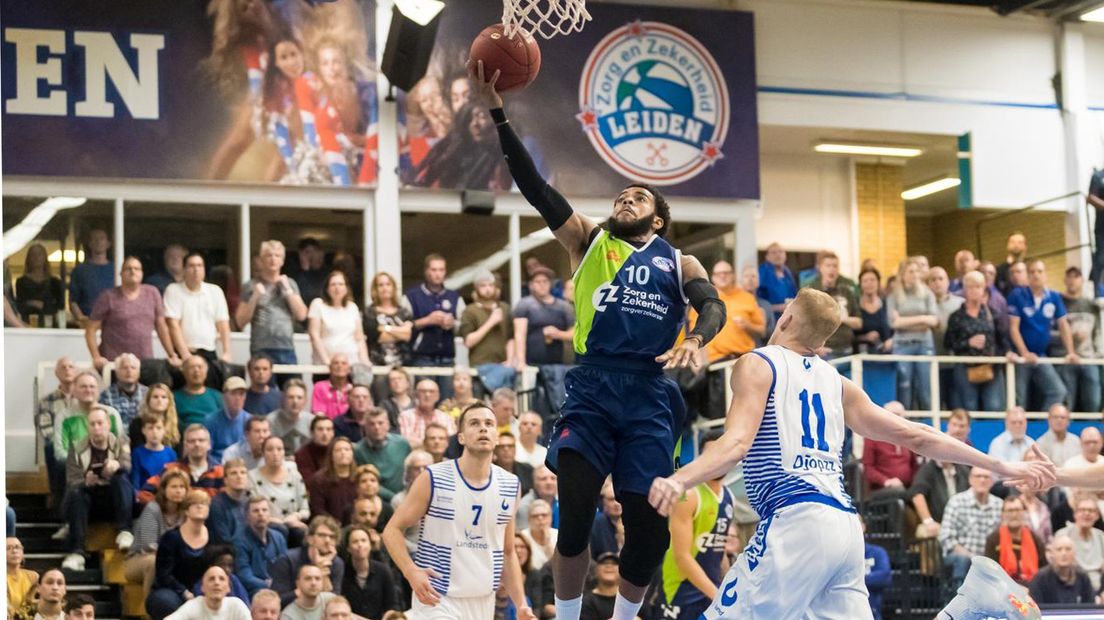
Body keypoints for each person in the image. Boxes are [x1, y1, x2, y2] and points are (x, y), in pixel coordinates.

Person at [475, 62, 724, 620]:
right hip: (590, 385)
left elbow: (713, 305)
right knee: (578, 508)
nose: (626, 199)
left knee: (649, 531)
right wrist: (497, 113)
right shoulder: (588, 239)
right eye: (622, 195)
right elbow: (534, 186)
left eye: (639, 198)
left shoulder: (678, 259)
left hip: (651, 393)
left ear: (658, 220)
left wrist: (697, 337)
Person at [645, 288, 1054, 618]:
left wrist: (679, 478)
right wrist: (999, 463)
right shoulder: (837, 382)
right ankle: (965, 611)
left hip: (795, 519)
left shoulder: (757, 362)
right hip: (844, 526)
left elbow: (736, 444)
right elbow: (918, 435)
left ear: (784, 319)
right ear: (822, 345)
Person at [382, 403, 534, 620]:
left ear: (497, 437)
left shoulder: (510, 485)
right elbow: (392, 530)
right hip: (437, 597)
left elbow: (507, 551)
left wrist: (520, 603)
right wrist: (410, 570)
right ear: (460, 437)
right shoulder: (433, 477)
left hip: (483, 598)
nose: (483, 428)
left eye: (489, 424)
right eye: (474, 423)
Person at [656, 430, 733, 620]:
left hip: (710, 588)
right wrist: (718, 597)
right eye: (710, 454)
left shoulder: (729, 497)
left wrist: (728, 585)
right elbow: (682, 557)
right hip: (681, 592)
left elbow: (719, 549)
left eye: (721, 454)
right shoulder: (689, 494)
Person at [61, 405, 134, 571]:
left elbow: (127, 464)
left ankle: (125, 531)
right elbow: (72, 479)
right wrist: (85, 481)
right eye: (92, 424)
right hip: (89, 500)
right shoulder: (77, 447)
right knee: (77, 492)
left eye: (100, 423)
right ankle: (77, 552)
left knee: (121, 477)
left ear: (108, 424)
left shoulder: (120, 442)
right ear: (88, 427)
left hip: (114, 499)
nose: (96, 428)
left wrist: (117, 465)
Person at [85, 256, 178, 369]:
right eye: (128, 268)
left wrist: (171, 354)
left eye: (136, 268)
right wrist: (96, 357)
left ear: (142, 273)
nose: (133, 271)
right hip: (115, 363)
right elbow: (90, 329)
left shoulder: (152, 293)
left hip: (145, 362)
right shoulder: (108, 297)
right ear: (121, 274)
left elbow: (161, 327)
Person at [1007, 259, 1077, 410]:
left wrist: (1071, 352)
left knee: (1058, 391)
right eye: (1032, 272)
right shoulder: (1017, 295)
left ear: (1046, 275)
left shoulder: (1054, 297)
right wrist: (1024, 353)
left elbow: (1063, 325)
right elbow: (1013, 328)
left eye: (1039, 271)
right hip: (1020, 356)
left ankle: (1044, 426)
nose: (1036, 275)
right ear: (1027, 275)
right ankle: (1018, 429)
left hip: (1040, 355)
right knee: (1020, 399)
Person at [512, 266, 575, 417]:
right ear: (531, 285)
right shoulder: (525, 305)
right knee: (534, 405)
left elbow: (575, 333)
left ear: (551, 283)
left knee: (557, 406)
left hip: (558, 365)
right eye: (537, 281)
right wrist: (520, 362)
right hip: (532, 365)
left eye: (545, 281)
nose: (541, 284)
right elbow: (519, 334)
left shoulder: (563, 307)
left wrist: (558, 334)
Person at [237, 240, 309, 366]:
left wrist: (287, 290)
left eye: (277, 256)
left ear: (282, 260)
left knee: (292, 385)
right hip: (260, 348)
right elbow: (240, 321)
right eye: (268, 255)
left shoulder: (290, 283)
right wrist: (255, 297)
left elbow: (302, 315)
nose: (273, 259)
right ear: (261, 259)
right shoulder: (251, 285)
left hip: (286, 347)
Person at [147, 490, 213, 620]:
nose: (200, 506)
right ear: (186, 511)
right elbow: (163, 574)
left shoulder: (214, 538)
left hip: (203, 590)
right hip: (172, 590)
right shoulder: (171, 538)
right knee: (165, 602)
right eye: (194, 504)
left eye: (203, 504)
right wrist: (184, 592)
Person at [165, 252, 233, 374]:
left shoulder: (215, 291)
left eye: (199, 265)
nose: (196, 270)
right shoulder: (173, 290)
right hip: (184, 353)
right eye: (191, 266)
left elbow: (223, 324)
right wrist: (185, 355)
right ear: (184, 269)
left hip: (209, 352)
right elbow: (173, 325)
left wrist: (227, 352)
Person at [944, 271, 1003, 411]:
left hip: (990, 367)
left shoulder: (992, 313)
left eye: (978, 286)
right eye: (970, 287)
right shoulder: (956, 316)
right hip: (966, 367)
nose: (974, 291)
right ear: (964, 290)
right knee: (969, 406)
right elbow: (948, 342)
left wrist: (1006, 353)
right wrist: (968, 343)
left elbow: (1001, 339)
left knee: (993, 406)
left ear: (983, 289)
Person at [127, 470, 189, 600]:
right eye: (174, 487)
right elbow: (148, 545)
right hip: (139, 558)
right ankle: (150, 608)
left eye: (182, 487)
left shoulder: (186, 513)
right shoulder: (153, 508)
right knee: (153, 562)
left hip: (170, 561)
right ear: (164, 489)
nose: (178, 490)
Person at [888, 258, 939, 410]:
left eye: (917, 271)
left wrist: (905, 321)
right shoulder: (894, 296)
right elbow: (894, 323)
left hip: (924, 344)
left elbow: (934, 321)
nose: (915, 274)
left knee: (926, 387)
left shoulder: (927, 294)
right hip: (902, 346)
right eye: (911, 271)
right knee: (904, 386)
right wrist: (922, 318)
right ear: (902, 274)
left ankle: (930, 423)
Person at [269, 516, 346, 608]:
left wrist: (324, 574)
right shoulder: (287, 560)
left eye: (332, 537)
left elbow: (334, 602)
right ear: (309, 538)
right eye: (321, 535)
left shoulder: (337, 563)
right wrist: (305, 589)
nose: (327, 540)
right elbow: (278, 600)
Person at [460, 270, 518, 391]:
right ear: (476, 288)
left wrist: (510, 360)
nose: (487, 289)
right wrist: (491, 322)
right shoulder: (470, 311)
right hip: (479, 367)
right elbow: (468, 341)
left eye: (491, 285)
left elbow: (510, 338)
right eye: (483, 285)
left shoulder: (505, 308)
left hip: (503, 366)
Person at [405, 254, 463, 373]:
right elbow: (403, 326)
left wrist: (452, 324)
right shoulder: (411, 296)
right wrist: (427, 321)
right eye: (434, 270)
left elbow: (465, 326)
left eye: (441, 270)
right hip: (421, 358)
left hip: (448, 358)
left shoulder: (455, 297)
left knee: (448, 392)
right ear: (426, 271)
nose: (438, 274)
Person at [699, 260, 765, 363]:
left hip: (744, 357)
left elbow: (762, 331)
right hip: (716, 361)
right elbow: (695, 333)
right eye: (718, 274)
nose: (722, 276)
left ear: (733, 275)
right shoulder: (704, 299)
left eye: (726, 273)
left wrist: (748, 325)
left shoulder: (747, 298)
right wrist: (699, 363)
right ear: (713, 278)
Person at [139, 425, 225, 502]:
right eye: (192, 441)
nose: (197, 444)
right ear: (185, 445)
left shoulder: (220, 472)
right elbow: (145, 493)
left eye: (201, 440)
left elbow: (226, 502)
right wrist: (164, 508)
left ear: (209, 445)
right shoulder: (172, 469)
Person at [1057, 266, 1100, 412]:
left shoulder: (1091, 305)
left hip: (1088, 358)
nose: (1072, 280)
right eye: (1069, 277)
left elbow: (1097, 332)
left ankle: (1093, 431)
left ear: (1081, 280)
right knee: (1069, 400)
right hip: (1067, 358)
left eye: (1076, 277)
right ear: (1064, 280)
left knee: (1094, 399)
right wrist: (1071, 335)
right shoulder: (1059, 303)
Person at [38, 356, 78, 515]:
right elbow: (45, 428)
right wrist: (64, 444)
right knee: (50, 447)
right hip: (58, 443)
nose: (67, 370)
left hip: (82, 442)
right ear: (56, 373)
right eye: (63, 367)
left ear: (76, 371)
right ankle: (56, 493)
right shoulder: (46, 401)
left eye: (70, 366)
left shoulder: (85, 395)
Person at [56, 372, 125, 463]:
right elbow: (60, 453)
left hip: (110, 466)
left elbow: (120, 446)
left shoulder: (112, 414)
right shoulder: (64, 417)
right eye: (83, 387)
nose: (88, 390)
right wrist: (83, 464)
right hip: (75, 468)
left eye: (92, 386)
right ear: (74, 390)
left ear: (98, 391)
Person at [250, 436, 310, 541]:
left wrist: (295, 517)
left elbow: (305, 509)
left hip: (291, 522)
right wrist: (272, 520)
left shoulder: (294, 475)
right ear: (263, 453)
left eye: (279, 449)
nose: (275, 453)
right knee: (280, 530)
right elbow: (250, 509)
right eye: (270, 449)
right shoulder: (252, 477)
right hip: (266, 524)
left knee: (302, 532)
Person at [308, 271, 369, 366]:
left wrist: (365, 362)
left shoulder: (352, 307)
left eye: (341, 284)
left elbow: (359, 338)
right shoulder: (318, 305)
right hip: (325, 365)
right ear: (327, 288)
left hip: (351, 364)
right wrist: (327, 362)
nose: (337, 288)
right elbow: (314, 335)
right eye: (333, 284)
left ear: (346, 288)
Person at [809, 252, 860, 359]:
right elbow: (806, 323)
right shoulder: (812, 291)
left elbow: (859, 322)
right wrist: (814, 348)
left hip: (847, 349)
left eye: (835, 266)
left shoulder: (846, 291)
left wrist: (843, 319)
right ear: (820, 268)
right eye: (828, 265)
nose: (832, 269)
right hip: (824, 351)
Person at [341, 525, 400, 619]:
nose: (360, 545)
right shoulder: (342, 571)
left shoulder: (383, 571)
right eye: (355, 541)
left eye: (363, 540)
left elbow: (392, 605)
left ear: (370, 545)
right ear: (348, 548)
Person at [984, 496, 1045, 586]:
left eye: (1017, 510)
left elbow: (1043, 572)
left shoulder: (1035, 539)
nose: (1014, 514)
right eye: (1010, 511)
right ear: (1003, 514)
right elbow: (989, 573)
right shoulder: (993, 540)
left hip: (1032, 588)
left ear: (1024, 512)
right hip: (1002, 589)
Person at [235, 497, 289, 598]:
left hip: (279, 587)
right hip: (255, 590)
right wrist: (268, 585)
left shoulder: (279, 537)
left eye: (264, 510)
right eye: (256, 511)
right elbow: (244, 575)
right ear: (247, 516)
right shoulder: (239, 541)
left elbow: (285, 566)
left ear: (270, 514)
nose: (261, 514)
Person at [861, 401, 920, 494]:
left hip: (907, 487)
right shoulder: (872, 437)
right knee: (899, 491)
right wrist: (886, 481)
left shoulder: (907, 438)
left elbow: (914, 465)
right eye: (894, 415)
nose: (898, 419)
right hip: (882, 489)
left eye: (900, 415)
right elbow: (868, 469)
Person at [362, 272, 413, 371]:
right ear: (375, 289)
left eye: (388, 284)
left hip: (403, 365)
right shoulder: (369, 312)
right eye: (380, 285)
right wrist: (401, 331)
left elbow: (408, 336)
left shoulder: (404, 312)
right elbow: (378, 337)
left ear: (393, 287)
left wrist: (385, 328)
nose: (385, 288)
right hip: (378, 365)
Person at [908, 457, 970, 539]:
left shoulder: (963, 470)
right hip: (938, 523)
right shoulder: (927, 469)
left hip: (964, 522)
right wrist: (928, 521)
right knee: (925, 532)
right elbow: (917, 495)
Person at [1028, 534, 1096, 607]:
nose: (1064, 553)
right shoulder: (1040, 578)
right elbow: (1035, 610)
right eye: (1059, 549)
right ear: (1052, 554)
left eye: (1068, 549)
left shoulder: (1083, 577)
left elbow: (1090, 607)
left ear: (1075, 553)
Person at [1054, 496, 1104, 590]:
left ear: (1097, 516)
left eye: (1091, 510)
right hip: (1073, 585)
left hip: (1099, 585)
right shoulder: (1063, 535)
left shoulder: (1101, 536)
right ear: (1075, 514)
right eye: (1082, 510)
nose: (1086, 513)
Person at [165, 566, 252, 620]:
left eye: (221, 579)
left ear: (228, 588)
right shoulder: (193, 605)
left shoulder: (237, 606)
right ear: (202, 588)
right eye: (211, 579)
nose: (217, 583)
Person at [308, 437, 359, 524]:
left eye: (347, 449)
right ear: (331, 455)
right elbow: (317, 509)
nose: (343, 453)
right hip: (329, 526)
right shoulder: (319, 480)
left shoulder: (359, 477)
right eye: (338, 450)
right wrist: (333, 523)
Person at [68, 228, 114, 324]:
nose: (98, 242)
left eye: (101, 238)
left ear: (108, 244)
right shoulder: (79, 271)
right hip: (88, 323)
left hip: (112, 323)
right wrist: (81, 318)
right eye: (94, 239)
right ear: (89, 244)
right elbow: (73, 301)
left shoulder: (117, 269)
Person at [132, 413, 179, 501]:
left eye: (158, 428)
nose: (154, 432)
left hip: (166, 497)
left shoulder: (171, 453)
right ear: (143, 430)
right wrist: (137, 496)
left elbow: (174, 478)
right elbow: (136, 480)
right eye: (150, 428)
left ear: (164, 430)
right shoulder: (137, 453)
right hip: (145, 496)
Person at [15, 242, 64, 326]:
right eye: (33, 255)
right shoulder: (21, 282)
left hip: (49, 323)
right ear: (28, 259)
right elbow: (18, 305)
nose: (36, 258)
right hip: (28, 323)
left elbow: (60, 306)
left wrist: (44, 305)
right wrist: (31, 303)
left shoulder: (54, 282)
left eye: (39, 254)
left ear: (45, 258)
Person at [397, 380, 455, 449]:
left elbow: (450, 443)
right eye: (423, 391)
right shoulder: (405, 416)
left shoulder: (446, 418)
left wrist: (420, 443)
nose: (427, 395)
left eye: (431, 391)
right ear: (416, 395)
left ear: (438, 396)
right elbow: (406, 443)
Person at [206, 377, 252, 463]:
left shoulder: (250, 420)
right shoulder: (210, 420)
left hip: (243, 467)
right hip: (218, 466)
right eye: (233, 394)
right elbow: (207, 452)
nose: (237, 398)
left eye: (241, 394)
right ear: (224, 396)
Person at [209, 459, 251, 546]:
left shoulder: (249, 502)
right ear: (225, 480)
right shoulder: (217, 505)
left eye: (243, 473)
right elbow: (223, 539)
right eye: (233, 473)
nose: (239, 476)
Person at [174, 356, 224, 430]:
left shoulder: (218, 396)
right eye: (192, 367)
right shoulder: (173, 397)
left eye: (200, 367)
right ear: (184, 372)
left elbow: (224, 421)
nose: (196, 370)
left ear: (206, 371)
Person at [129, 383, 182, 453]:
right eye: (155, 397)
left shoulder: (177, 424)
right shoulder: (137, 424)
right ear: (148, 401)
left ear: (169, 401)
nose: (159, 400)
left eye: (164, 397)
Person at [99, 352, 147, 428]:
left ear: (139, 373)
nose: (129, 371)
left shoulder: (148, 394)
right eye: (125, 368)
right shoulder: (105, 396)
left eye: (133, 368)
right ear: (117, 373)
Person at [268, 380, 312, 452]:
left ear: (305, 400)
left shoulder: (312, 421)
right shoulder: (271, 420)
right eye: (291, 397)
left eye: (299, 397)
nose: (295, 401)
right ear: (283, 399)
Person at [856, 268, 892, 354]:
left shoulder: (887, 303)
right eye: (865, 281)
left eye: (872, 280)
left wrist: (890, 340)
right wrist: (865, 337)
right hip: (861, 354)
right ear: (860, 284)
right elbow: (849, 335)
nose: (869, 283)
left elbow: (894, 329)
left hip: (886, 353)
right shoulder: (855, 305)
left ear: (878, 283)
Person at [757, 243, 796, 318]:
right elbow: (757, 302)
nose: (778, 255)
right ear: (767, 257)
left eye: (781, 252)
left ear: (785, 255)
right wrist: (777, 307)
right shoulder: (762, 272)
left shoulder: (788, 273)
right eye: (774, 252)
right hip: (770, 319)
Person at [740, 265, 776, 347]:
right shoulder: (733, 303)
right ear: (741, 281)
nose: (750, 279)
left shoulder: (766, 305)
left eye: (753, 276)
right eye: (746, 276)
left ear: (758, 282)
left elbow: (771, 335)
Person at [517, 465, 559, 531]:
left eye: (553, 478)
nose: (549, 482)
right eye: (543, 479)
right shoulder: (525, 506)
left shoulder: (561, 504)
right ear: (534, 483)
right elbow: (524, 537)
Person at [863, 522, 891, 620]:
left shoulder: (877, 552)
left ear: (863, 526)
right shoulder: (841, 555)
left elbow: (885, 576)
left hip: (872, 612)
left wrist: (855, 579)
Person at [579, 552, 620, 620]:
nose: (609, 566)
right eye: (604, 563)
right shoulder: (586, 601)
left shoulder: (632, 599)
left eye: (614, 563)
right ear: (596, 570)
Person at [588, 482, 624, 559]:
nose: (617, 504)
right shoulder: (595, 526)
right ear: (603, 501)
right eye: (611, 499)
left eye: (619, 499)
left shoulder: (634, 524)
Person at [520, 499, 557, 571]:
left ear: (551, 518)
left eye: (544, 515)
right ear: (529, 519)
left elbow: (559, 567)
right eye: (535, 516)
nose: (540, 518)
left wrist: (548, 544)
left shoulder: (558, 536)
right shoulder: (522, 537)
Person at [312, 355, 354, 420]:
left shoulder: (354, 389)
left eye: (344, 363)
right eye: (336, 363)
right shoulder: (320, 387)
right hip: (327, 427)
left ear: (349, 369)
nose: (340, 366)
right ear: (330, 368)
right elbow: (319, 416)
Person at [296, 416, 335, 482]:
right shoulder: (302, 454)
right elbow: (308, 481)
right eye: (320, 429)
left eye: (328, 429)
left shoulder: (338, 450)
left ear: (333, 433)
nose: (325, 433)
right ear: (312, 432)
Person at [7, 537, 38, 620]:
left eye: (17, 547)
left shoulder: (33, 577)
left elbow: (30, 602)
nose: (14, 551)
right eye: (8, 548)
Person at [292, 238, 328, 306]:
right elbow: (304, 294)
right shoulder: (294, 273)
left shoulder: (328, 273)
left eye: (317, 251)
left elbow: (318, 294)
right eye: (307, 252)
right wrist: (305, 269)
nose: (315, 255)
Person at [995, 232, 1028, 297]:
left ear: (1025, 247)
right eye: (1013, 242)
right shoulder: (999, 270)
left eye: (1020, 242)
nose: (1016, 245)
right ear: (1007, 246)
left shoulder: (1030, 269)